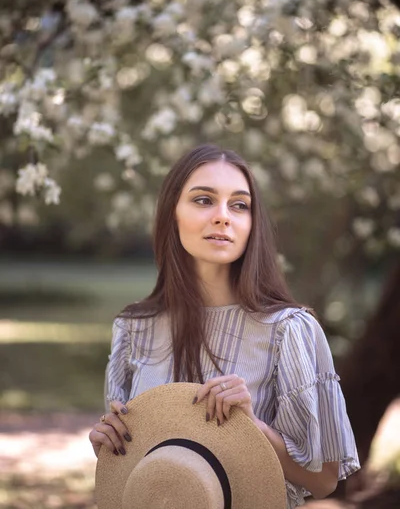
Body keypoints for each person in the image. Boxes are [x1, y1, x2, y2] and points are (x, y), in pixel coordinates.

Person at [89, 143, 360, 508]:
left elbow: (325, 481)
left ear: (252, 224)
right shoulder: (134, 329)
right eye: (203, 200)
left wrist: (251, 429)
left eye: (239, 205)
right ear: (172, 215)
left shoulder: (288, 330)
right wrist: (108, 448)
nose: (223, 216)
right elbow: (152, 474)